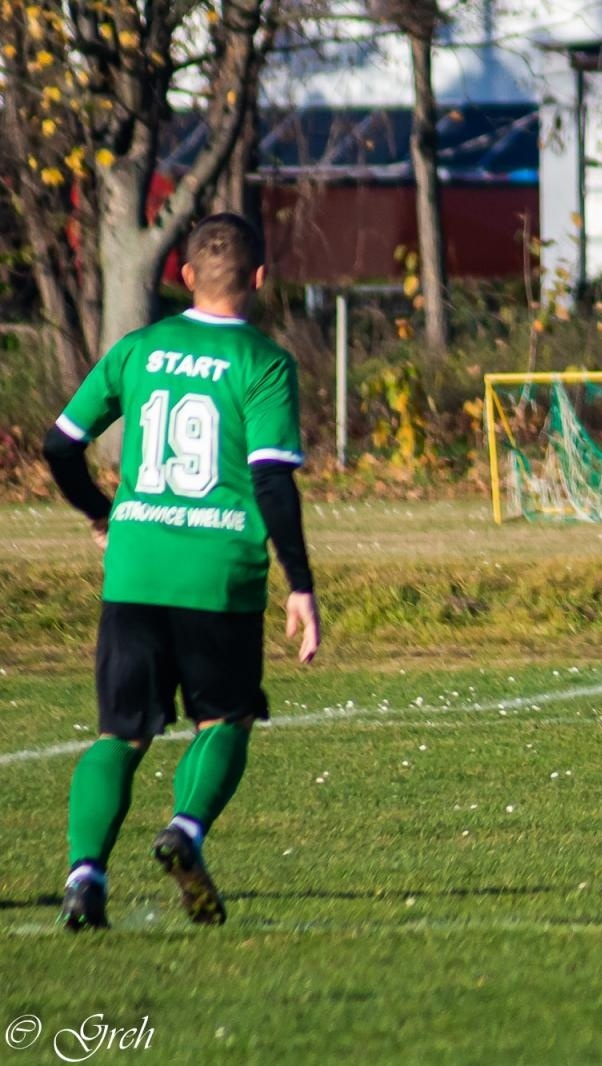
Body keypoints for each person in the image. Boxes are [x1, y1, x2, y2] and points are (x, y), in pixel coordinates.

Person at [43, 212, 320, 929]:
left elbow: (60, 447)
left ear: (187, 277)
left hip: (134, 571)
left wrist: (100, 515)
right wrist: (300, 583)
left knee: (120, 735)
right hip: (217, 573)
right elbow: (270, 484)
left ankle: (83, 875)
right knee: (224, 717)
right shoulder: (262, 363)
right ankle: (185, 831)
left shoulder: (138, 349)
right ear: (260, 279)